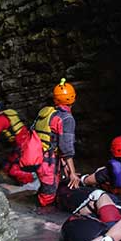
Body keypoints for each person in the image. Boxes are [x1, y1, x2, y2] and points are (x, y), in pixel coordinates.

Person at [31, 79, 78, 207]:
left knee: (48, 187)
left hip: (37, 156)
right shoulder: (66, 118)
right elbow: (66, 148)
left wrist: (63, 164)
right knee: (48, 195)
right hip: (48, 161)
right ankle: (39, 215)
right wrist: (72, 172)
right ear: (73, 98)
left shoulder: (47, 113)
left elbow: (51, 138)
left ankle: (35, 205)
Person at [69, 135, 121, 204]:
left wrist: (81, 178)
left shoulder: (108, 172)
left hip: (113, 202)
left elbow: (86, 181)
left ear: (112, 152)